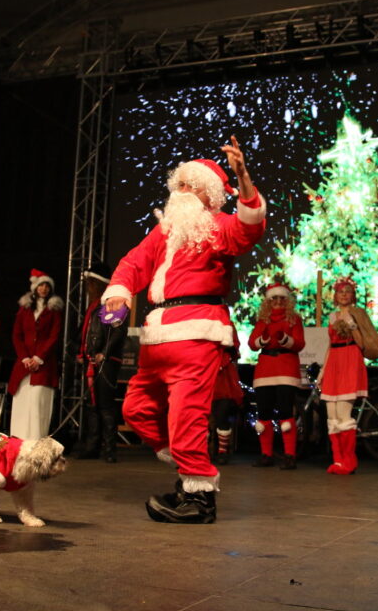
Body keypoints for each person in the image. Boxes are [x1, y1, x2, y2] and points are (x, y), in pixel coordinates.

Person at [102, 135, 265, 524]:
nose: (182, 191)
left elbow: (249, 228)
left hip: (196, 334)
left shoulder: (218, 226)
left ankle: (199, 498)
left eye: (192, 186)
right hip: (157, 335)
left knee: (186, 418)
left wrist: (243, 177)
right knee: (137, 409)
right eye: (180, 184)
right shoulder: (163, 232)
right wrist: (119, 293)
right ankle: (189, 468)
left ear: (210, 196)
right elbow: (133, 263)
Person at [319, 277, 378, 475]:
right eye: (341, 291)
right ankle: (338, 460)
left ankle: (349, 461)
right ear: (335, 295)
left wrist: (353, 325)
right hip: (334, 363)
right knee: (332, 416)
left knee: (343, 415)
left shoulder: (358, 314)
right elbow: (330, 345)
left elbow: (363, 344)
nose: (344, 295)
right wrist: (323, 370)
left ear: (353, 295)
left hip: (350, 360)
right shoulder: (332, 316)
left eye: (348, 291)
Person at [248, 281, 305, 470]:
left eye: (281, 298)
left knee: (285, 411)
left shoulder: (294, 319)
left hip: (286, 368)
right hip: (265, 369)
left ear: (287, 301)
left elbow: (299, 344)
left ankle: (289, 456)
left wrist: (285, 340)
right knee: (264, 412)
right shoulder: (263, 321)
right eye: (274, 299)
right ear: (268, 302)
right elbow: (252, 344)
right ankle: (266, 455)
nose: (278, 302)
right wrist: (263, 340)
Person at [74, 264, 128, 462]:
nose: (88, 288)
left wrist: (104, 353)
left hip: (106, 363)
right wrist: (81, 352)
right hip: (91, 361)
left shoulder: (111, 304)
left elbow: (118, 332)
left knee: (105, 405)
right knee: (92, 405)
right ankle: (92, 447)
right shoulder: (93, 307)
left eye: (91, 284)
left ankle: (109, 450)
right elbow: (86, 333)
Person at [8, 269, 64, 440]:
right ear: (35, 287)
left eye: (47, 286)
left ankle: (35, 440)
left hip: (44, 365)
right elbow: (17, 335)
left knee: (38, 403)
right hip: (24, 364)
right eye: (41, 285)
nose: (44, 289)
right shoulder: (24, 309)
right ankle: (18, 439)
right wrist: (25, 358)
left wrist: (39, 358)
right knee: (22, 401)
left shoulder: (53, 310)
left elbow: (54, 337)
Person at [209, 327, 243, 465]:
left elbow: (234, 346)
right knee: (201, 417)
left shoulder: (227, 324)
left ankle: (222, 451)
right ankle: (203, 450)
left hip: (223, 378)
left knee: (222, 415)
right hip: (204, 373)